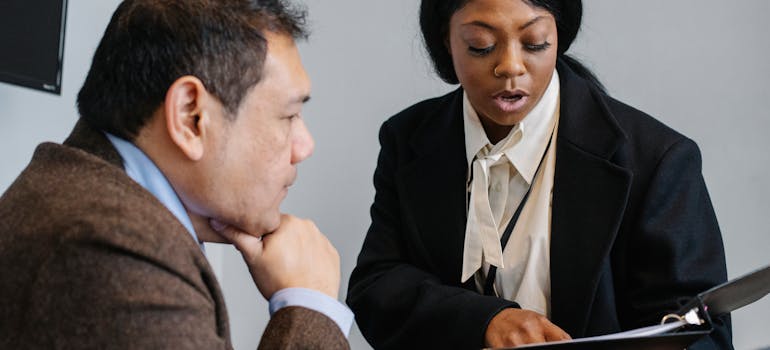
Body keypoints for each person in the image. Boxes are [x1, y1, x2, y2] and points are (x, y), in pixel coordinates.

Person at [347, 0, 732, 349]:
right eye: (481, 45)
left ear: (558, 36)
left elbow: (701, 335)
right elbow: (376, 287)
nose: (510, 67)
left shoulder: (656, 159)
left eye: (534, 43)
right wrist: (484, 322)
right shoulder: (409, 138)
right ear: (446, 43)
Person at [0, 0, 352, 348]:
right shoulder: (109, 249)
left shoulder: (84, 195)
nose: (305, 146)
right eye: (288, 116)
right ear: (190, 117)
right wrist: (310, 306)